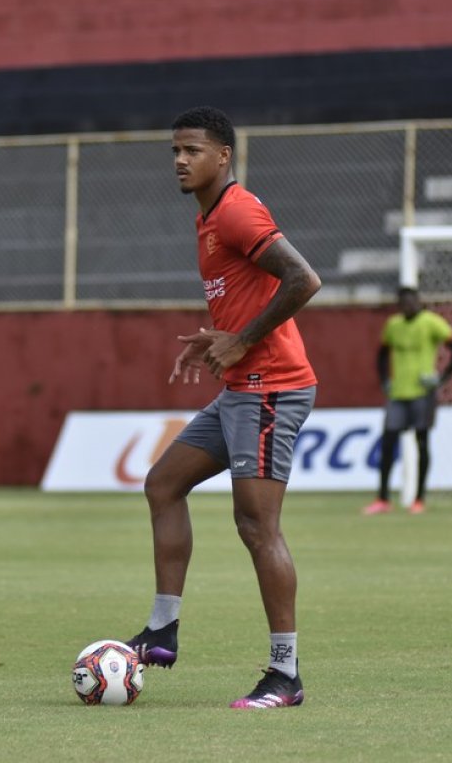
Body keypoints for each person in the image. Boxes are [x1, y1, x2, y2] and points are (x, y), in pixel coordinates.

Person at [126, 106, 321, 710]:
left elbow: (302, 279)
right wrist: (221, 337)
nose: (181, 161)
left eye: (192, 151)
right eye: (175, 151)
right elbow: (251, 296)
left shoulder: (237, 210)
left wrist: (241, 340)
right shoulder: (207, 220)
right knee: (163, 484)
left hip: (272, 387)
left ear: (223, 157)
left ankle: (285, 675)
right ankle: (162, 631)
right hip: (242, 384)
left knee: (257, 526)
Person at [364, 286, 452, 515]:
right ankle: (382, 498)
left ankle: (419, 499)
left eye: (411, 301)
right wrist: (384, 381)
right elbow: (381, 354)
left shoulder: (432, 322)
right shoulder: (393, 325)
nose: (408, 306)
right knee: (388, 445)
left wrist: (441, 378)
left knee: (422, 443)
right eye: (403, 303)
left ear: (419, 302)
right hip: (398, 394)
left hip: (422, 394)